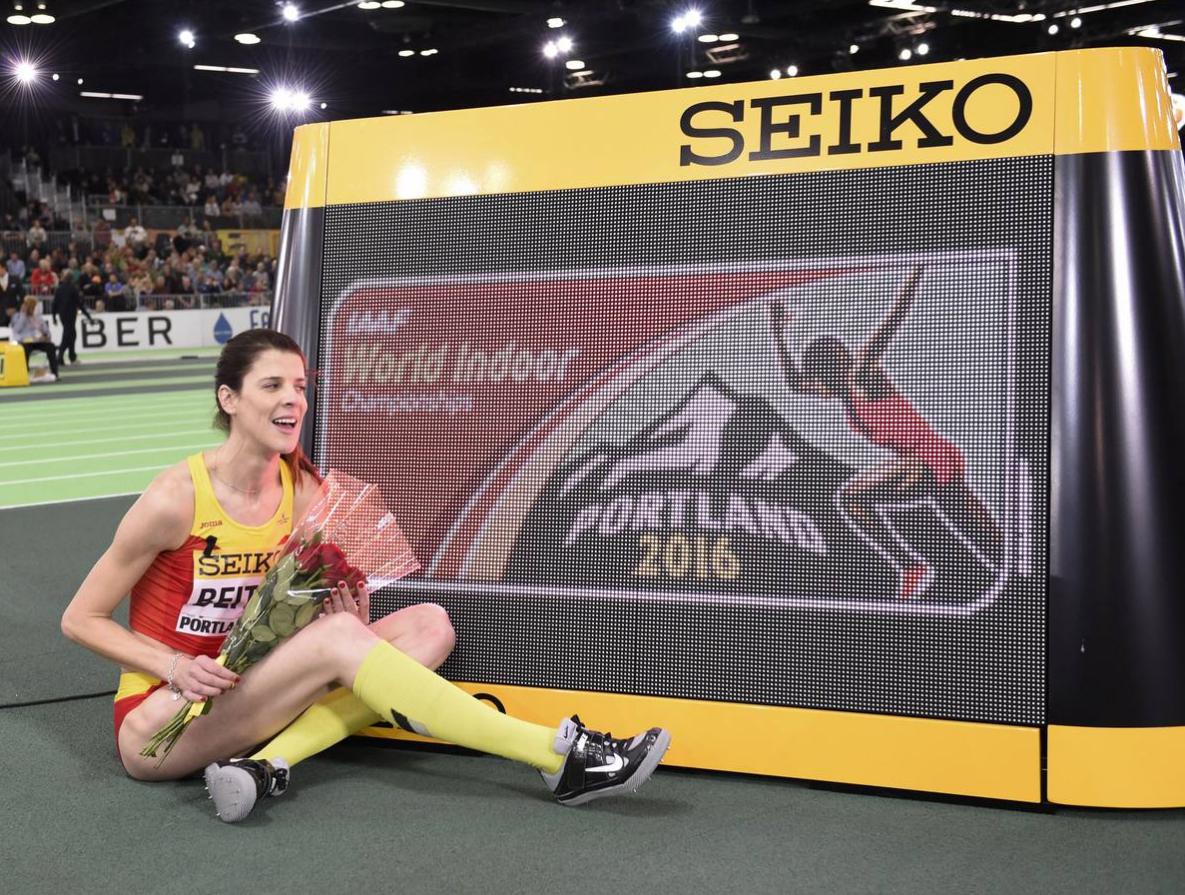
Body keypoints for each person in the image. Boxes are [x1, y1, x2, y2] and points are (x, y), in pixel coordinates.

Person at [60, 329, 669, 824]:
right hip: (164, 720)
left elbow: (298, 616)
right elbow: (79, 619)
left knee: (430, 626)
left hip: (253, 692)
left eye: (299, 386)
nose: (292, 399)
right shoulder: (176, 498)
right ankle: (556, 757)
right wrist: (173, 666)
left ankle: (263, 766)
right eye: (272, 385)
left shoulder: (304, 490)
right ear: (229, 399)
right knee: (342, 645)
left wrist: (346, 623)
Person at [769, 266, 1002, 600]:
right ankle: (1014, 568)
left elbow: (892, 319)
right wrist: (777, 330)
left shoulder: (860, 376)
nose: (816, 384)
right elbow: (794, 383)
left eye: (819, 374)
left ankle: (911, 567)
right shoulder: (842, 393)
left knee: (851, 496)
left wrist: (916, 271)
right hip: (931, 457)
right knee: (975, 526)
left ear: (831, 367)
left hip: (924, 457)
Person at [11, 295, 60, 381]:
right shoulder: (17, 316)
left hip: (38, 341)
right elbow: (16, 329)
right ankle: (25, 374)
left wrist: (46, 336)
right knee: (24, 350)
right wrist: (23, 315)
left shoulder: (38, 317)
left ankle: (55, 373)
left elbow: (46, 331)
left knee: (51, 347)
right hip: (24, 341)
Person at [53, 271, 93, 365]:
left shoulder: (59, 289)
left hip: (62, 314)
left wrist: (54, 316)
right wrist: (87, 315)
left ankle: (70, 356)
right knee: (68, 336)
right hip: (70, 314)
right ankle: (62, 356)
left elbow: (55, 303)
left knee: (70, 335)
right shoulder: (73, 289)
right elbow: (79, 304)